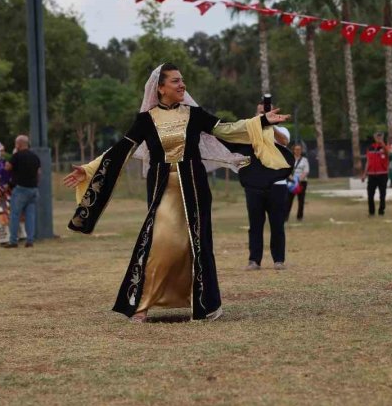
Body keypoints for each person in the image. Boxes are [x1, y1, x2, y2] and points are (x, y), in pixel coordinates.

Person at [63, 63, 290, 323]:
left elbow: (227, 129)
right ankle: (143, 304)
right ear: (160, 88)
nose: (182, 85)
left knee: (195, 242)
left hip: (194, 186)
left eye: (182, 81)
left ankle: (203, 304)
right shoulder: (146, 120)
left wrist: (261, 121)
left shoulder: (194, 114)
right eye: (175, 81)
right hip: (162, 187)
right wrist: (89, 169)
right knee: (160, 241)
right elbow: (121, 150)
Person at [244, 105, 290, 270]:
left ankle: (278, 260)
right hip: (254, 185)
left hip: (277, 185)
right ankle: (254, 260)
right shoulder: (250, 131)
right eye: (260, 111)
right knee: (255, 224)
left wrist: (271, 124)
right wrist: (257, 121)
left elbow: (284, 141)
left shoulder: (281, 130)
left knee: (277, 223)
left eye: (265, 111)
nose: (263, 114)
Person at [7, 135, 40, 248]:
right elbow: (39, 173)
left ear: (19, 144)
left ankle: (13, 241)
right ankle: (30, 240)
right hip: (33, 189)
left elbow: (7, 167)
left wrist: (14, 154)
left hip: (20, 189)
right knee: (30, 215)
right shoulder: (35, 157)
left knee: (15, 215)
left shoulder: (16, 156)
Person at [361, 132, 389, 216]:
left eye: (380, 136)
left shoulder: (385, 147)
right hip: (372, 174)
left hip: (382, 174)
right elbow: (368, 161)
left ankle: (381, 211)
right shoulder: (370, 148)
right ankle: (371, 212)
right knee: (370, 194)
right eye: (377, 136)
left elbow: (387, 153)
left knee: (382, 194)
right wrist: (364, 174)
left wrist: (382, 143)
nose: (378, 138)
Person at [285, 142, 310, 222]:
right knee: (288, 201)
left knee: (301, 200)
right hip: (291, 182)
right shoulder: (290, 159)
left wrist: (298, 179)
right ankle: (285, 217)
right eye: (296, 149)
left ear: (301, 150)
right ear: (293, 150)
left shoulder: (304, 160)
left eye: (299, 149)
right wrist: (291, 178)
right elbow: (287, 170)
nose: (298, 151)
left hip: (301, 182)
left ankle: (300, 217)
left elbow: (306, 170)